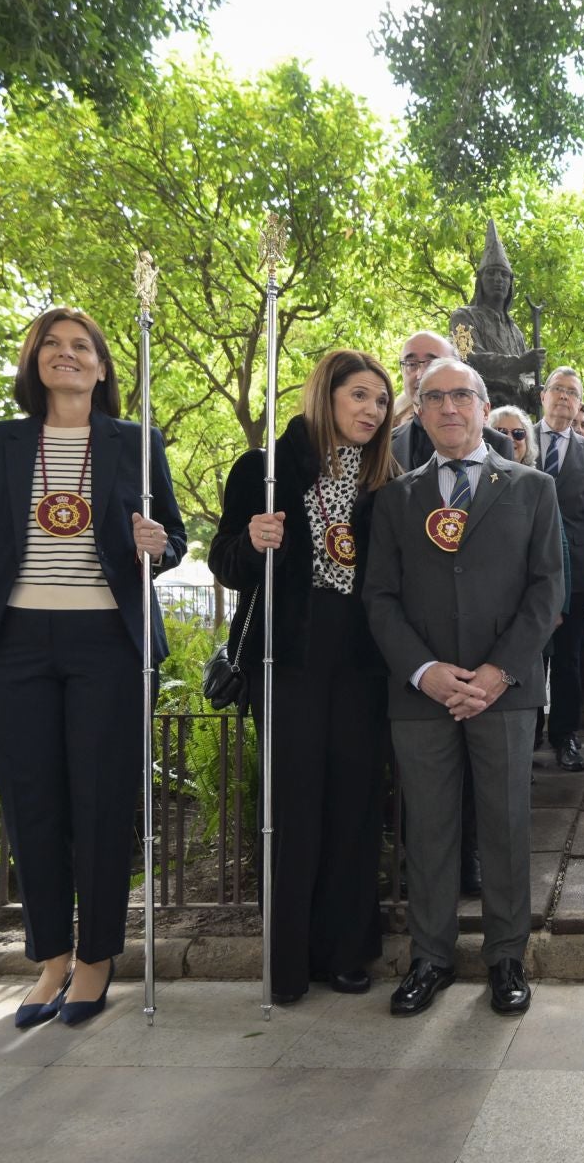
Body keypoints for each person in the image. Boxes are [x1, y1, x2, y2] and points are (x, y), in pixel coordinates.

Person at [0, 308, 185, 1027]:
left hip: (106, 641)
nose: (67, 355)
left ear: (104, 368)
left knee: (102, 803)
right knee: (32, 806)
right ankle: (50, 958)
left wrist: (156, 543)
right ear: (33, 362)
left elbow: (170, 542)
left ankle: (99, 958)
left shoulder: (137, 443)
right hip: (12, 644)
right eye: (52, 345)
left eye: (82, 347)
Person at [365, 358, 563, 1016]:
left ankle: (506, 957)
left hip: (503, 691)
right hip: (420, 695)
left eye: (461, 396)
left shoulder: (533, 488)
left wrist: (497, 671)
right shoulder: (393, 498)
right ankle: (431, 958)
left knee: (505, 825)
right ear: (418, 413)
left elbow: (547, 591)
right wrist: (426, 671)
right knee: (429, 829)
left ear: (483, 407)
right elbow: (381, 598)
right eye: (433, 397)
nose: (449, 407)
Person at [209, 350, 399, 1003]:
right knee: (294, 810)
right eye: (361, 396)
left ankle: (346, 951)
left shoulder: (386, 483)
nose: (373, 410)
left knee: (353, 808)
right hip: (286, 661)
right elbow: (227, 564)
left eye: (381, 400)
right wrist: (254, 540)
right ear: (326, 395)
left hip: (361, 665)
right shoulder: (264, 471)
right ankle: (289, 959)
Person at [534, 366, 584, 771]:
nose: (564, 397)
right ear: (543, 396)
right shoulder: (515, 438)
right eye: (558, 390)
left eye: (572, 393)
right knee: (528, 655)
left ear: (580, 404)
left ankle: (565, 737)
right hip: (522, 569)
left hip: (575, 573)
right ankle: (527, 735)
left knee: (567, 659)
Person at [449, 220, 547, 413]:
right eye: (491, 273)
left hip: (516, 417)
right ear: (481, 279)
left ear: (510, 283)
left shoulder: (515, 332)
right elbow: (467, 356)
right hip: (482, 409)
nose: (498, 279)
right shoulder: (462, 317)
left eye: (503, 275)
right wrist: (517, 364)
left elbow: (526, 377)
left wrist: (533, 393)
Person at [394, 330, 515, 467]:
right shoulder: (384, 444)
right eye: (411, 364)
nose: (420, 374)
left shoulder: (498, 444)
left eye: (432, 363)